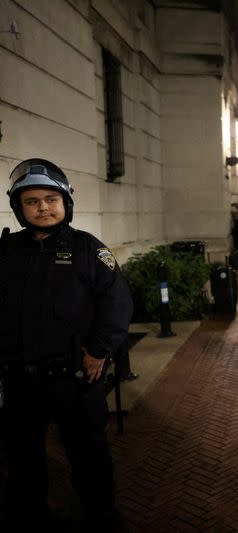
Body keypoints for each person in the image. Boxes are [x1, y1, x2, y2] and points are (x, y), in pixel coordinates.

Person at [0, 159, 133, 531]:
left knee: (89, 458)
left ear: (65, 203)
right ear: (19, 207)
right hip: (20, 382)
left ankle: (101, 518)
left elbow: (117, 304)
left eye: (50, 199)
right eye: (32, 201)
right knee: (23, 461)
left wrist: (100, 351)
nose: (43, 207)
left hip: (75, 378)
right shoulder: (6, 253)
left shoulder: (90, 250)